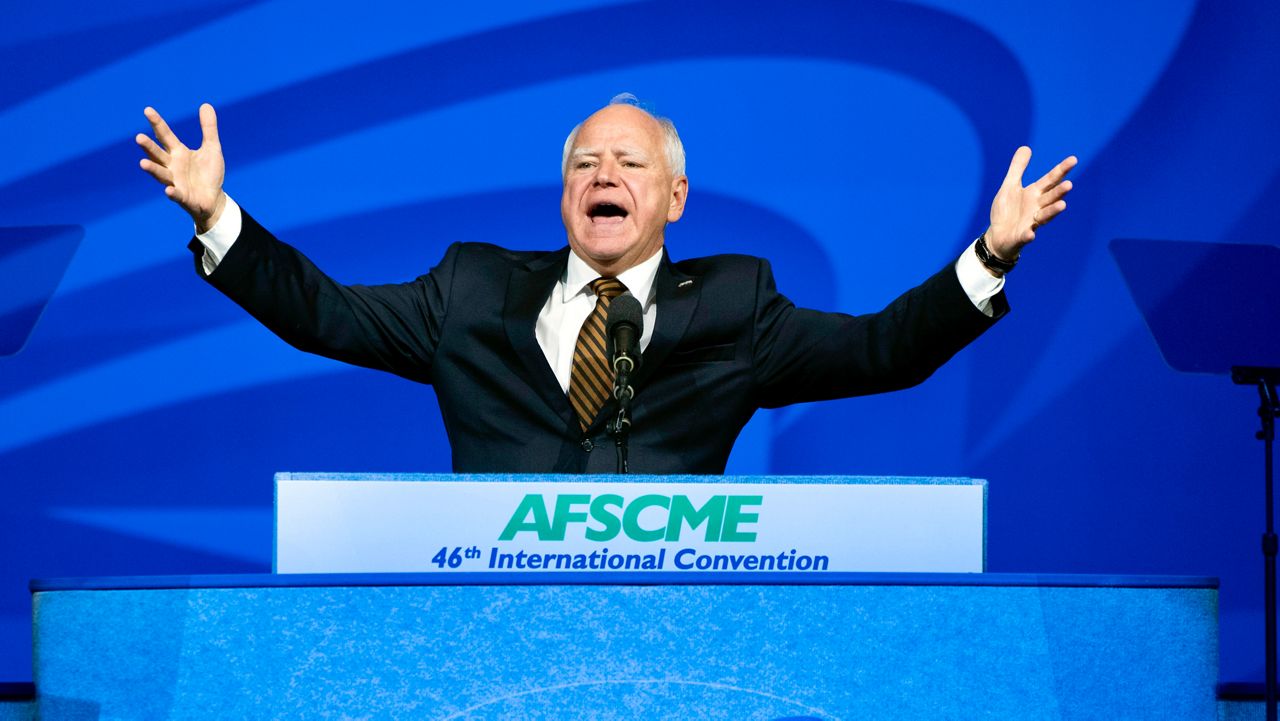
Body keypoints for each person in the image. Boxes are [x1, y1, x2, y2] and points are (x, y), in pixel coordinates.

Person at [136, 95, 1075, 474]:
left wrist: (988, 256)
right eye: (584, 163)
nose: (602, 177)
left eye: (627, 162)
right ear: (562, 194)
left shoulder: (736, 302)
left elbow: (883, 350)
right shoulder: (470, 287)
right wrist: (219, 217)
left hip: (673, 615)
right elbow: (325, 315)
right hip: (485, 609)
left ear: (674, 196)